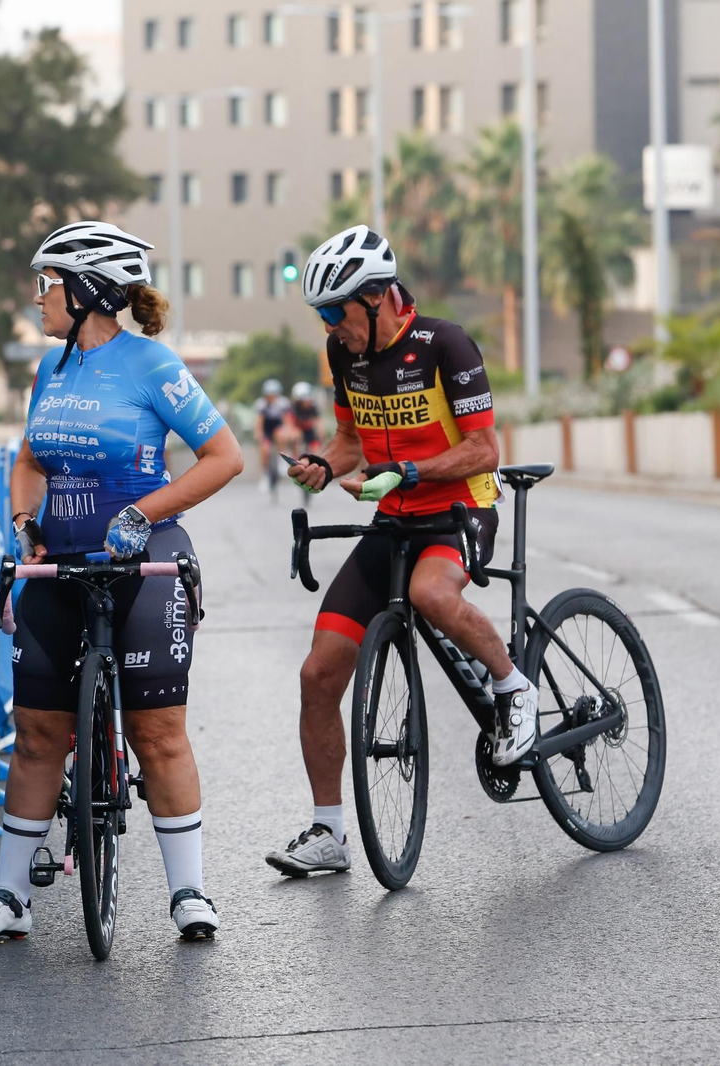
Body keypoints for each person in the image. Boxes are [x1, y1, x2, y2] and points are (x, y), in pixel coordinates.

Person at [0, 221, 244, 944]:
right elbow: (27, 459)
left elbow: (223, 457)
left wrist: (142, 513)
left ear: (87, 290)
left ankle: (189, 892)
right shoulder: (50, 370)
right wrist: (27, 519)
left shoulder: (151, 364)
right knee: (37, 733)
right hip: (61, 558)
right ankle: (11, 895)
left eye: (47, 283)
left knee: (159, 733)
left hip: (140, 560)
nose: (38, 297)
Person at [268, 224, 537, 878]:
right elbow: (349, 441)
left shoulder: (444, 343)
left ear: (379, 297)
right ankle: (329, 832)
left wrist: (414, 473)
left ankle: (514, 687)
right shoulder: (346, 358)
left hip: (458, 508)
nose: (330, 327)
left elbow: (484, 450)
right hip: (393, 516)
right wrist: (321, 466)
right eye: (320, 315)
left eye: (336, 311)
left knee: (429, 594)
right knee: (317, 674)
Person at [255, 378, 291, 499]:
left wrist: (287, 431)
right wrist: (259, 434)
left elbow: (286, 420)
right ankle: (265, 475)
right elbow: (259, 422)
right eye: (269, 395)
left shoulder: (283, 403)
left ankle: (282, 461)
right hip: (267, 430)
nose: (271, 397)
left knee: (280, 434)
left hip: (278, 428)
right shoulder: (261, 404)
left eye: (274, 395)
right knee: (265, 450)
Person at [290, 380, 321, 452]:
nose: (306, 401)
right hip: (297, 431)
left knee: (316, 449)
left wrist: (319, 436)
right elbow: (290, 422)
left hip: (310, 432)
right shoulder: (294, 408)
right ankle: (295, 457)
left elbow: (318, 422)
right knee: (296, 436)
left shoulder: (313, 407)